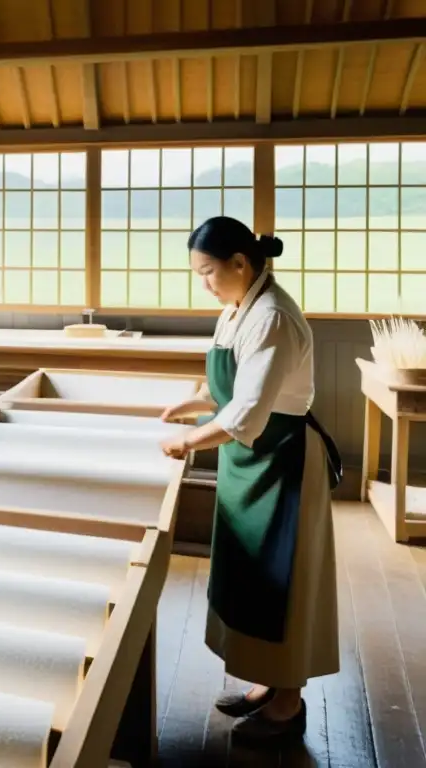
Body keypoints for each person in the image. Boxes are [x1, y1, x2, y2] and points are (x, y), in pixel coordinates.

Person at [158, 216, 342, 745]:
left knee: (283, 582)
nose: (205, 283)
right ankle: (269, 683)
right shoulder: (239, 307)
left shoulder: (274, 316)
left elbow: (248, 414)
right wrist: (193, 403)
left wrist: (189, 441)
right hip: (250, 459)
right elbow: (232, 390)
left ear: (241, 263)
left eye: (209, 271)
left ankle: (288, 704)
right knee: (251, 576)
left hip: (280, 460)